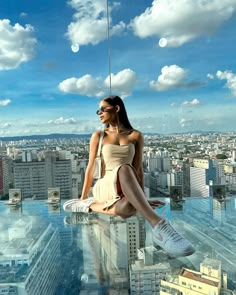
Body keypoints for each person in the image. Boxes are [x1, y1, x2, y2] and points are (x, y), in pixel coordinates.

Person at [63, 95, 195, 257]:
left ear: (117, 108)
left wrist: (142, 199)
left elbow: (138, 169)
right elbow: (90, 168)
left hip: (126, 185)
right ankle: (159, 225)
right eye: (98, 110)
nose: (99, 113)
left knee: (128, 209)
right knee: (124, 168)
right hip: (105, 184)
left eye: (103, 109)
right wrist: (83, 196)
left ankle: (87, 207)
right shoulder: (99, 136)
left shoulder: (136, 136)